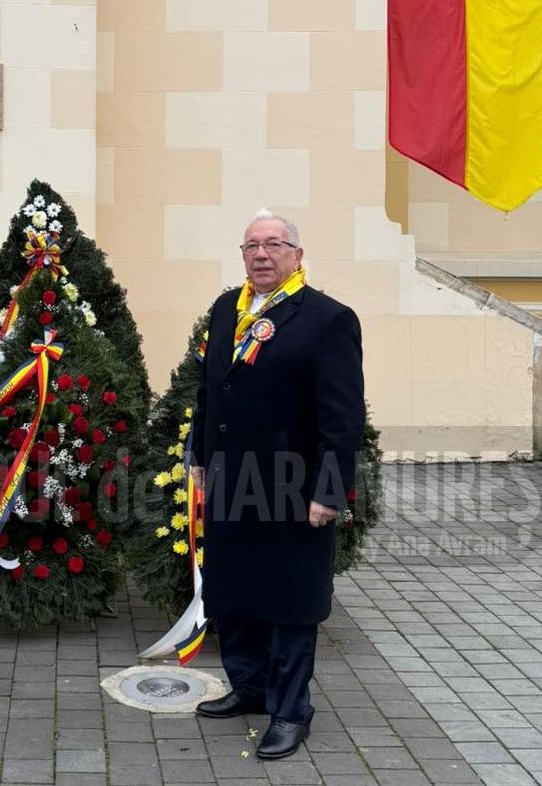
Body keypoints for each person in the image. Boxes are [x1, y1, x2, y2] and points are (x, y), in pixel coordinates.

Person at [191, 210, 364, 761]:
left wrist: (328, 491)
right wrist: (198, 454)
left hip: (293, 489)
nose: (261, 254)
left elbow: (342, 418)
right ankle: (250, 689)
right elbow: (208, 389)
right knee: (235, 593)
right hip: (230, 483)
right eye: (252, 246)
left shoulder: (329, 320)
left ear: (296, 254)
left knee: (290, 604)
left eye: (274, 244)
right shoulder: (226, 310)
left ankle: (290, 712)